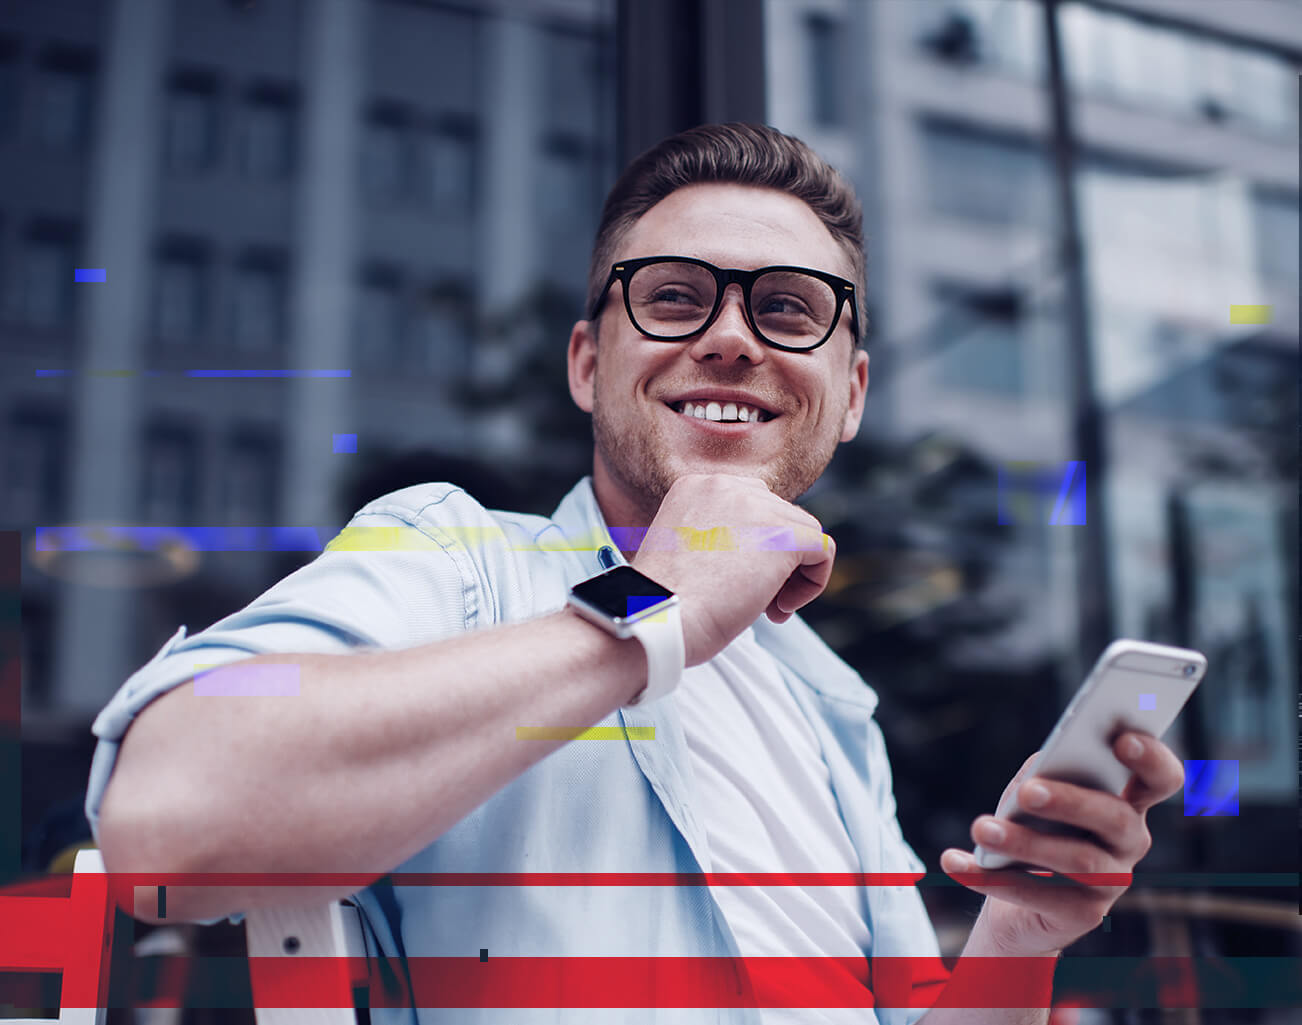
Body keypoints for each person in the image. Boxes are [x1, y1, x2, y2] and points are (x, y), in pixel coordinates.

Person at [87, 123, 1184, 1025]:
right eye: (672, 297)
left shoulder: (828, 703)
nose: (731, 339)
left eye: (787, 307)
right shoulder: (455, 557)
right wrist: (647, 610)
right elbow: (165, 824)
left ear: (848, 395)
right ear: (587, 362)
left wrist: (1018, 939)